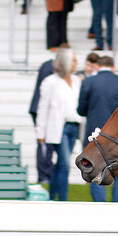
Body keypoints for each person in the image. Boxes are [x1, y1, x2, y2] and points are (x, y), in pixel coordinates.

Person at [78, 56, 118, 202]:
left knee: (94, 172)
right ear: (113, 67)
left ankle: (100, 207)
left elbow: (81, 110)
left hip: (94, 134)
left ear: (98, 66)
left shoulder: (89, 82)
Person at [35, 48, 82, 201]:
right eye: (73, 60)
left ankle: (52, 196)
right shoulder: (50, 82)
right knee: (64, 165)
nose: (76, 63)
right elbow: (42, 108)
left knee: (61, 165)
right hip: (59, 127)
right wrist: (40, 133)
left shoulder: (76, 80)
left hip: (74, 126)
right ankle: (63, 200)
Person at [30, 45, 68, 184]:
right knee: (45, 144)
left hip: (44, 108)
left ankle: (48, 173)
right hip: (44, 110)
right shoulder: (50, 67)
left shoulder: (48, 65)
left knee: (48, 144)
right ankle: (44, 175)